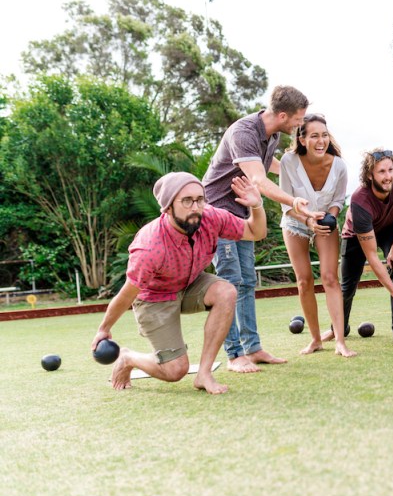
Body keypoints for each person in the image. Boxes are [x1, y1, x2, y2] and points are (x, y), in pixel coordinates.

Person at [90, 172, 267, 394]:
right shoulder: (150, 246)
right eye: (186, 200)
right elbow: (127, 294)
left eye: (200, 199)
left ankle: (204, 374)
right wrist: (103, 329)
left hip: (190, 283)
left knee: (226, 292)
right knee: (175, 371)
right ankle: (128, 358)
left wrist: (257, 205)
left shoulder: (211, 217)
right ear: (167, 207)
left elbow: (255, 232)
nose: (195, 207)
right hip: (154, 299)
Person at [202, 86, 323, 373]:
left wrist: (300, 175)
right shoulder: (243, 132)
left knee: (245, 282)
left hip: (242, 214)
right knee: (229, 283)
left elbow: (268, 165)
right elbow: (256, 180)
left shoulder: (272, 135)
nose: (300, 125)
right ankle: (234, 355)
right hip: (219, 212)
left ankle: (253, 349)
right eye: (298, 119)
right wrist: (293, 200)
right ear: (282, 115)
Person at [324, 148, 393, 350]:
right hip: (355, 236)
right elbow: (372, 257)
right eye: (381, 172)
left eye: (390, 170)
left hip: (389, 227)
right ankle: (338, 329)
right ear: (370, 175)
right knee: (348, 286)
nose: (388, 177)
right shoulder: (360, 200)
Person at [279, 114, 355, 358]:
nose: (321, 140)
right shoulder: (288, 162)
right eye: (314, 136)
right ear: (302, 139)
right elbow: (286, 204)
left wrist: (327, 217)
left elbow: (338, 201)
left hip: (324, 223)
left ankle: (340, 341)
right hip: (295, 222)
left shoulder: (339, 165)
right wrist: (307, 219)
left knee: (330, 277)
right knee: (304, 281)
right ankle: (315, 340)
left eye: (324, 135)